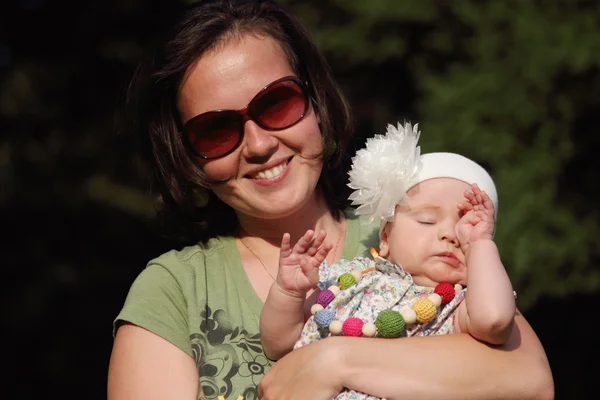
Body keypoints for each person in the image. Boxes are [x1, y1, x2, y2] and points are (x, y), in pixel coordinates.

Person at [106, 1, 554, 399]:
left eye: (276, 103)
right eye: (216, 130)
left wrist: (332, 363)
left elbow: (531, 380)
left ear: (316, 101)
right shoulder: (175, 291)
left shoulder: (415, 239)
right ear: (188, 158)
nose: (259, 144)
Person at [260, 122, 517, 399]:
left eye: (464, 229)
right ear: (385, 237)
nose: (449, 235)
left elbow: (494, 320)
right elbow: (278, 343)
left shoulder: (461, 305)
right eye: (427, 220)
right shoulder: (348, 279)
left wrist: (480, 243)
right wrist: (289, 292)